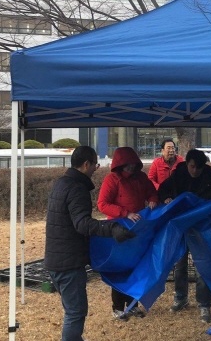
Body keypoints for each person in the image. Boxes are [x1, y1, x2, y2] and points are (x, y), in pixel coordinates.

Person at [44, 146, 135, 341]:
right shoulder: (77, 188)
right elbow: (82, 224)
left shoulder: (61, 183)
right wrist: (111, 229)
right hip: (68, 263)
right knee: (75, 312)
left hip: (56, 258)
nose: (96, 168)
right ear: (86, 164)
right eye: (95, 164)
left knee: (72, 309)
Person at [158, 148, 211, 323]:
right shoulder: (177, 177)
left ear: (204, 167)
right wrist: (165, 199)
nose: (195, 171)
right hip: (181, 228)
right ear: (187, 164)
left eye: (199, 168)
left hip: (202, 229)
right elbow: (162, 190)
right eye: (192, 166)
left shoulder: (210, 179)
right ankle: (180, 297)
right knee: (179, 263)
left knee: (204, 266)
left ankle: (204, 304)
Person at [97, 146, 158, 321]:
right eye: (127, 165)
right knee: (119, 267)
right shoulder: (112, 180)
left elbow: (151, 192)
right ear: (119, 165)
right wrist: (125, 213)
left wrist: (153, 199)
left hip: (138, 231)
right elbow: (102, 204)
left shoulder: (141, 178)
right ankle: (117, 308)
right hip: (119, 230)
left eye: (133, 164)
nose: (130, 168)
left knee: (135, 267)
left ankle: (132, 306)